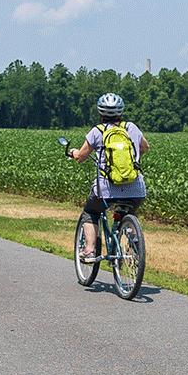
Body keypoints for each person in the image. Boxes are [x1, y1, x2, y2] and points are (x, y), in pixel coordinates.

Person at [63, 92, 148, 263]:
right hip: (136, 188)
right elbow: (145, 147)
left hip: (106, 190)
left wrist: (72, 152)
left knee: (91, 212)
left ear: (100, 112)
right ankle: (134, 242)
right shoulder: (132, 128)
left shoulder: (97, 131)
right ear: (121, 112)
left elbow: (81, 157)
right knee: (129, 211)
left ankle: (89, 250)